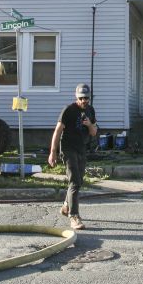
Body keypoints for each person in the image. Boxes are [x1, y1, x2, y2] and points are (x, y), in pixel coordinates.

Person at [49, 83, 97, 230]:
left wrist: (89, 124)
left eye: (86, 98)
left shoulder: (90, 110)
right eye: (81, 98)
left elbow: (94, 132)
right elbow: (57, 131)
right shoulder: (68, 110)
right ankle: (74, 216)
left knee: (79, 180)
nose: (84, 101)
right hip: (68, 148)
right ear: (77, 97)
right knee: (75, 181)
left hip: (81, 148)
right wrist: (53, 152)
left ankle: (65, 206)